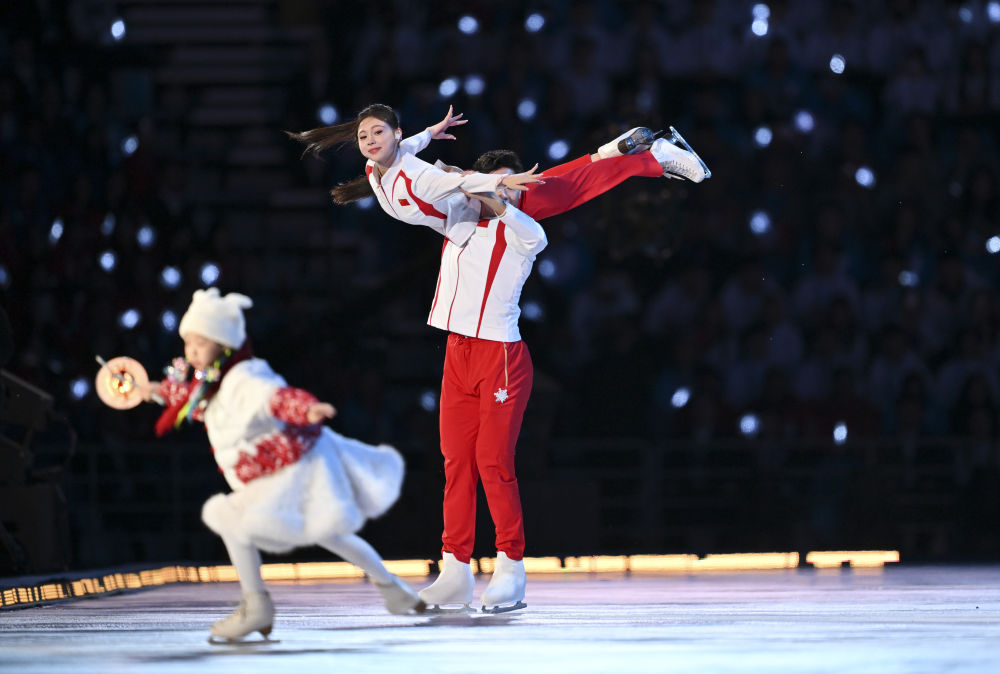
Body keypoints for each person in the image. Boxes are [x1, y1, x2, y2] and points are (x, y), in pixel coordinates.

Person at [139, 288, 424, 641]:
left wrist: (308, 409)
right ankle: (395, 590)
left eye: (201, 342)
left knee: (232, 520)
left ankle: (257, 604)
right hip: (286, 471)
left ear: (224, 343)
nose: (191, 351)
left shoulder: (245, 379)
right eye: (188, 343)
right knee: (330, 535)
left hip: (291, 475)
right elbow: (188, 399)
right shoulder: (213, 384)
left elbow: (277, 398)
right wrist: (151, 390)